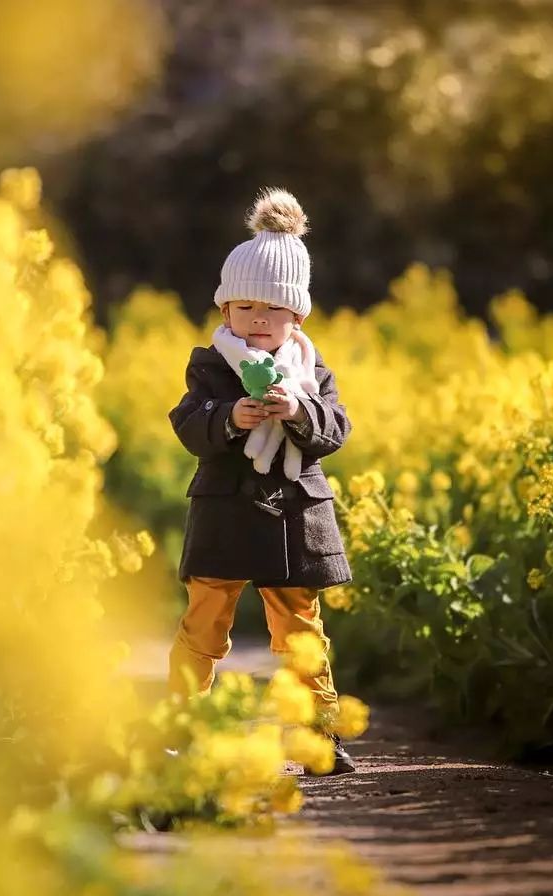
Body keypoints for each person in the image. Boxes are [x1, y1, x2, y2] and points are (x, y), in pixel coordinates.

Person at [167, 186, 356, 776]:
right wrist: (230, 417)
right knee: (204, 622)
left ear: (296, 316)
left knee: (300, 629)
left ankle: (320, 737)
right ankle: (180, 730)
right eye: (243, 307)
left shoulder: (312, 372)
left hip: (295, 514)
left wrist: (297, 412)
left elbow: (335, 429)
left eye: (270, 310)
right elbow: (187, 423)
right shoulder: (209, 366)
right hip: (225, 511)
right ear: (225, 311)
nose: (256, 319)